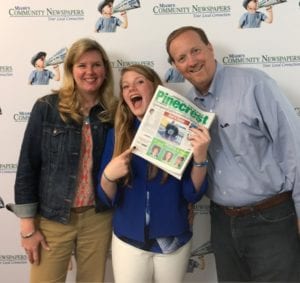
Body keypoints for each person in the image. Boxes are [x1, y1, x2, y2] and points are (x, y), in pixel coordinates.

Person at [166, 25, 300, 282]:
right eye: (182, 58)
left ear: (210, 48)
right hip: (223, 223)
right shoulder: (186, 108)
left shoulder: (254, 84)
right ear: (176, 66)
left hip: (271, 219)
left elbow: (293, 147)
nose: (192, 61)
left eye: (195, 50)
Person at [6, 38, 118, 283]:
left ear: (105, 70)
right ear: (70, 70)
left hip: (97, 218)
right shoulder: (46, 107)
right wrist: (27, 227)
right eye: (82, 65)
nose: (90, 72)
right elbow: (27, 166)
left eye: (97, 65)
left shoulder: (113, 112)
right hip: (52, 218)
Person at [97, 64, 210, 283]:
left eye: (139, 82)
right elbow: (107, 198)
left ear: (156, 89)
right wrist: (108, 176)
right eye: (125, 86)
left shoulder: (183, 132)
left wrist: (200, 158)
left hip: (173, 238)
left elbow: (192, 194)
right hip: (128, 239)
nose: (132, 89)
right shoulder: (116, 135)